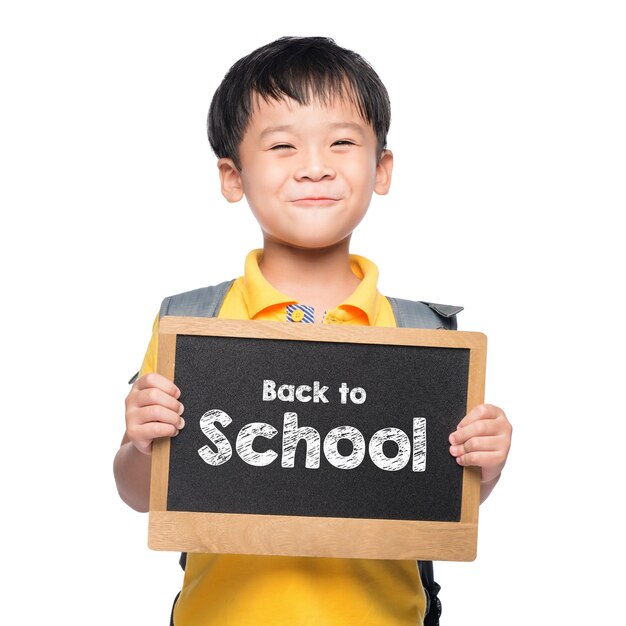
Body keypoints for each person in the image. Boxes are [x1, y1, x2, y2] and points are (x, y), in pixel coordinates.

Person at [113, 36, 512, 625]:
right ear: (232, 176)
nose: (315, 165)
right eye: (282, 145)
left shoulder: (423, 332)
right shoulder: (192, 323)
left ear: (381, 168)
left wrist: (487, 463)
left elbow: (439, 499)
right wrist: (144, 442)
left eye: (343, 142)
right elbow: (139, 491)